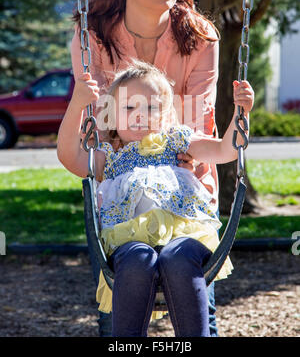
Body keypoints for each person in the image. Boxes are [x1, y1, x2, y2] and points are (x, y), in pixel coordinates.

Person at [62, 0, 224, 336]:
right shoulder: (92, 36)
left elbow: (195, 123)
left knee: (192, 289)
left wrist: (131, 119)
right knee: (123, 290)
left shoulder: (200, 38)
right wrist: (117, 134)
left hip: (187, 186)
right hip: (120, 187)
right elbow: (93, 124)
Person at [57, 59, 254, 337]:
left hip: (185, 236)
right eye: (129, 107)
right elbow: (68, 156)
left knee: (178, 257)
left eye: (152, 107)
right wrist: (77, 104)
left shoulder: (177, 142)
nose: (141, 115)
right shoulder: (109, 157)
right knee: (139, 259)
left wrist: (241, 112)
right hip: (130, 242)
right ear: (112, 116)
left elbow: (226, 150)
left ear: (166, 115)